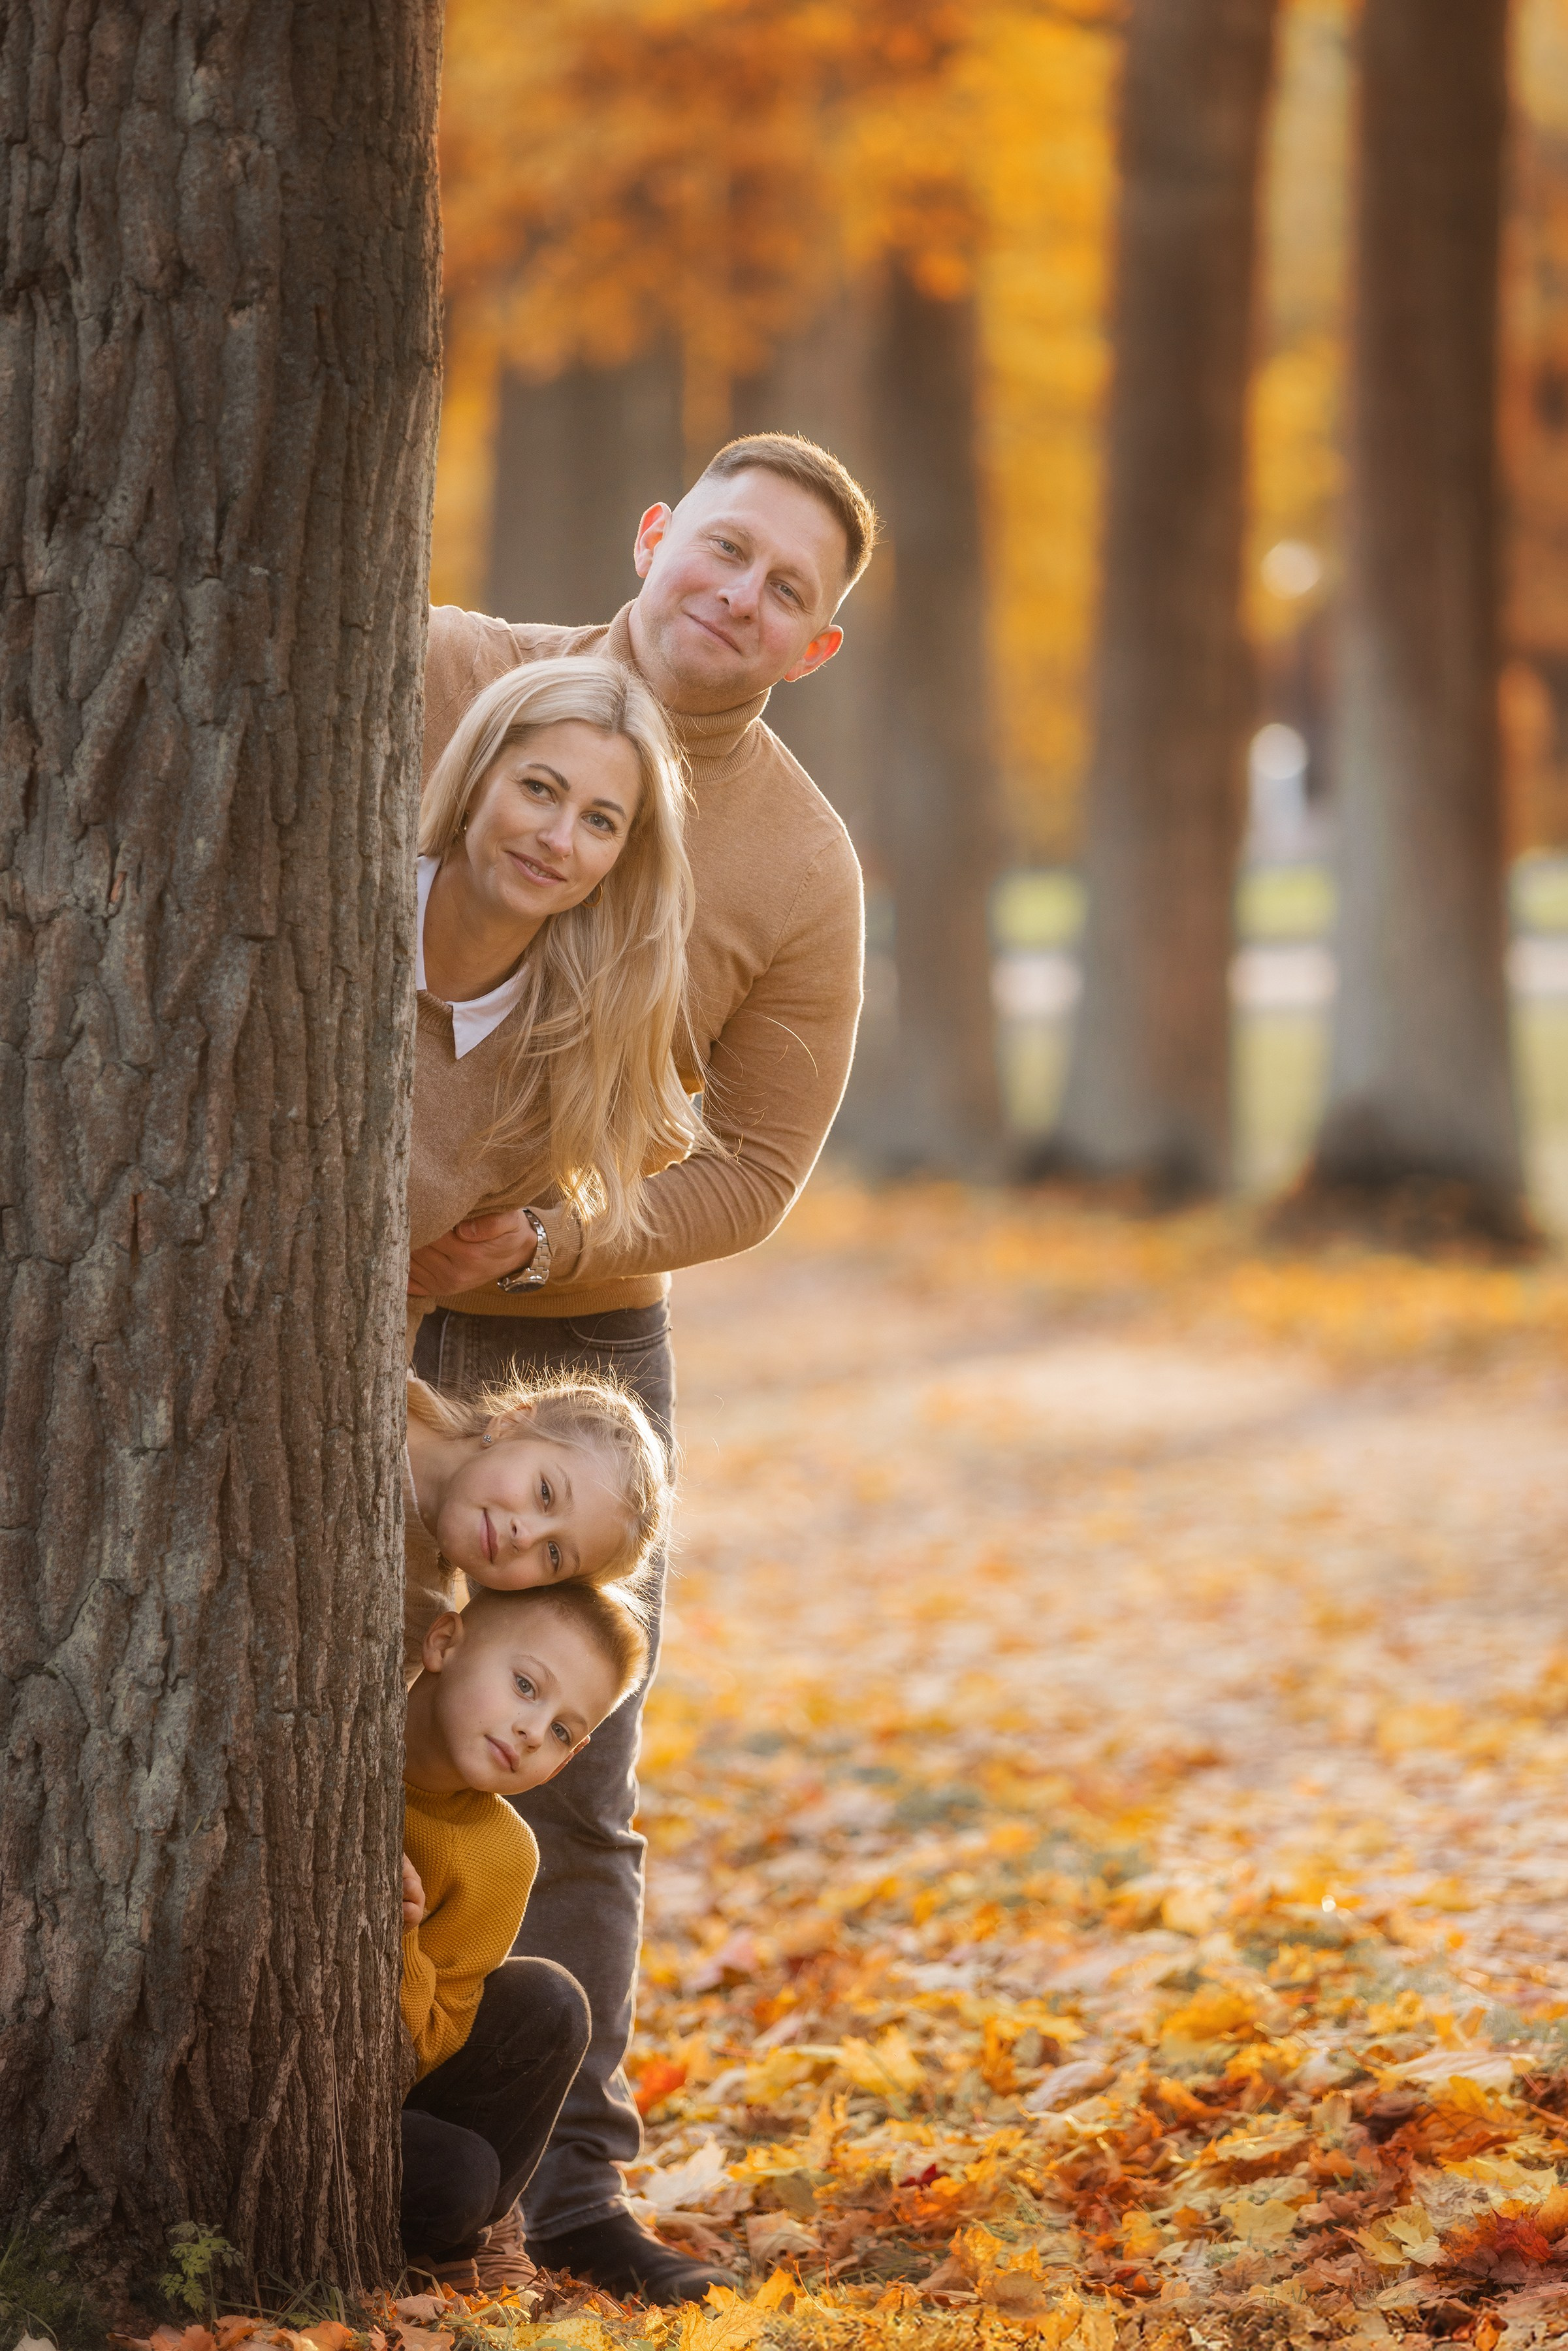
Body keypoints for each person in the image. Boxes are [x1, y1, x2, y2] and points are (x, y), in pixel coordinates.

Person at [409, 433, 877, 2304]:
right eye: (729, 549)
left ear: (814, 648)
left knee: (566, 1767)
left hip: (572, 1337)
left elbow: (754, 1168)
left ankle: (572, 2182)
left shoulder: (805, 865)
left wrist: (544, 1240)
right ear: (656, 531)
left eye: (789, 591)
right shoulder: (449, 667)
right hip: (334, 1293)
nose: (741, 597)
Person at [408, 652, 704, 1362]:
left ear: (618, 863)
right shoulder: (324, 932)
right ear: (475, 780)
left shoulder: (568, 1053)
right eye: (539, 789)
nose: (559, 840)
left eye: (600, 822)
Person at [400, 1578, 649, 2267]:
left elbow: (422, 2050)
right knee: (458, 2172)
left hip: (372, 2097)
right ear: (443, 1643)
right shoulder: (328, 1753)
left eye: (562, 1731)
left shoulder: (502, 1853)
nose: (533, 1732)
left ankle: (460, 2250)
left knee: (548, 1999)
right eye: (525, 1686)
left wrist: (400, 1938)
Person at [402, 1367, 669, 1678]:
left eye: (554, 1554)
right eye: (545, 1493)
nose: (525, 1538)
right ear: (511, 1424)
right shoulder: (381, 1371)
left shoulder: (408, 1623)